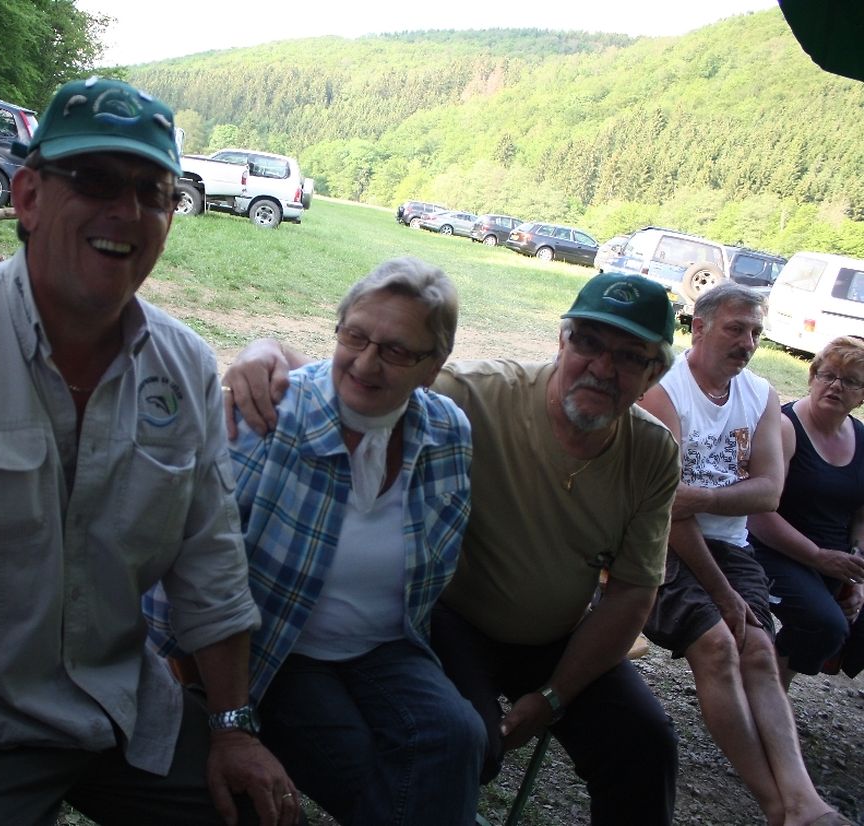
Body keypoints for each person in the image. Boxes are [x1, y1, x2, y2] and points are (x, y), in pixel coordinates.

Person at [0, 76, 299, 826]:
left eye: (153, 192)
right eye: (96, 180)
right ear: (28, 197)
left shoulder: (184, 368)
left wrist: (233, 728)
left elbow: (209, 560)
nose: (127, 211)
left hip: (121, 707)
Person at [225, 272, 682, 825]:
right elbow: (364, 376)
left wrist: (553, 697)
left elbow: (633, 592)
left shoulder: (650, 451)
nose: (602, 368)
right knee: (469, 746)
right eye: (588, 342)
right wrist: (268, 350)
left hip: (550, 636)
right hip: (455, 621)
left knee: (645, 743)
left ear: (654, 374)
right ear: (561, 341)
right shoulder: (480, 394)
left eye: (629, 357)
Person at [149, 258, 485, 825]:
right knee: (360, 766)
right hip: (278, 648)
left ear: (433, 366)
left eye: (396, 350)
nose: (366, 362)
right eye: (355, 336)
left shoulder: (448, 432)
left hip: (386, 644)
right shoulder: (270, 417)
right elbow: (190, 565)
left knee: (460, 735)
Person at [639, 283, 848, 826]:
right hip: (659, 544)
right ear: (699, 327)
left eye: (756, 332)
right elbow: (668, 512)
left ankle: (803, 799)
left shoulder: (759, 395)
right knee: (716, 644)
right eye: (736, 329)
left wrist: (705, 498)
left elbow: (769, 492)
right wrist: (722, 592)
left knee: (756, 647)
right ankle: (781, 808)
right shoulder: (664, 390)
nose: (748, 343)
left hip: (731, 545)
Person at [748, 337, 864, 685]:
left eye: (850, 381)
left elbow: (861, 516)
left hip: (835, 559)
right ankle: (765, 686)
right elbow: (758, 514)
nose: (836, 386)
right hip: (774, 550)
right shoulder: (785, 427)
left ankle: (767, 681)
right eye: (828, 375)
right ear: (812, 377)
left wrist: (857, 575)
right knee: (825, 624)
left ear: (862, 395)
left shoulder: (861, 438)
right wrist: (818, 557)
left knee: (848, 625)